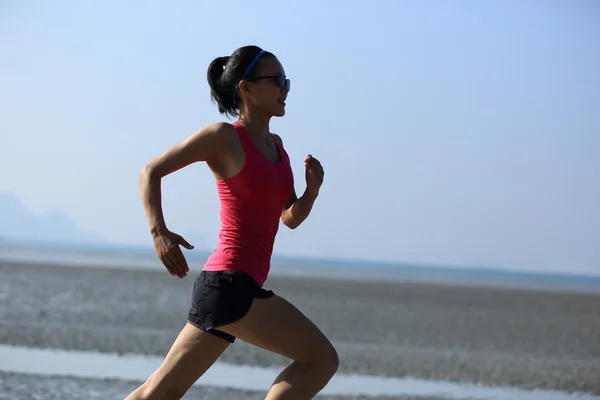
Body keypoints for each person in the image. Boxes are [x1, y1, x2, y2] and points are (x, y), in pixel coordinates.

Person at [125, 45, 339, 400]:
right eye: (277, 80)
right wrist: (158, 232)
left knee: (158, 393)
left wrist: (311, 193)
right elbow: (151, 171)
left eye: (287, 81)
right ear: (246, 88)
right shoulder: (223, 137)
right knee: (320, 360)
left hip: (224, 290)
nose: (285, 88)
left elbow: (288, 219)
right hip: (229, 285)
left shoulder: (278, 147)